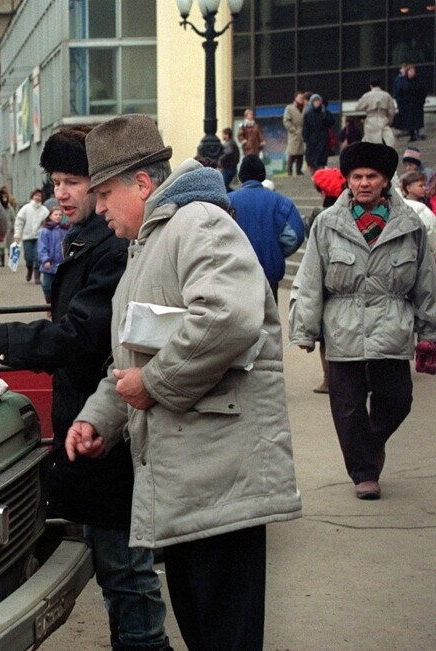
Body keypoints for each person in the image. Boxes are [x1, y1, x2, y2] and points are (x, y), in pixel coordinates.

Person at [67, 114, 302, 651]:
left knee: (223, 634)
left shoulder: (198, 224)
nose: (98, 207)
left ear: (142, 184)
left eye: (104, 193)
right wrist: (99, 416)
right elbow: (134, 350)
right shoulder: (151, 242)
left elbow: (226, 318)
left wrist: (153, 384)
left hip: (220, 480)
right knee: (205, 631)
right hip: (196, 482)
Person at [0, 125, 171, 651]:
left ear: (109, 185)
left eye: (74, 181)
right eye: (55, 182)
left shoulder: (114, 249)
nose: (62, 194)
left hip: (115, 431)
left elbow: (80, 334)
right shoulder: (89, 241)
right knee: (117, 567)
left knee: (126, 569)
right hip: (93, 425)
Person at [290, 141, 436, 500]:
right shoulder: (327, 224)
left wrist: (429, 331)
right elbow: (309, 279)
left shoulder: (410, 225)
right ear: (348, 181)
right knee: (347, 406)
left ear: (386, 181)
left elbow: (425, 281)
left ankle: (369, 443)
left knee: (398, 399)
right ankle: (364, 473)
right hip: (343, 329)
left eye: (372, 176)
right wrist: (305, 329)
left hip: (392, 326)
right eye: (357, 177)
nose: (364, 183)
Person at [228, 155, 305, 302]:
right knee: (268, 323)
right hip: (269, 277)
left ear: (241, 176)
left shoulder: (227, 201)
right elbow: (295, 235)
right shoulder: (281, 202)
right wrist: (275, 251)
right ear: (262, 175)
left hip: (235, 277)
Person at [306, 167, 346, 393]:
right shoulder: (352, 214)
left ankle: (328, 380)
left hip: (325, 282)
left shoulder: (318, 217)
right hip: (348, 280)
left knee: (325, 336)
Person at [13, 188, 49, 283]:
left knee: (37, 256)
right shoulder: (26, 208)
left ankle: (37, 276)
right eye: (36, 195)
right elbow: (19, 221)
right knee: (28, 257)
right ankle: (29, 269)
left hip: (39, 237)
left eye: (39, 196)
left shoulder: (44, 210)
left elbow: (47, 223)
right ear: (32, 196)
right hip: (27, 237)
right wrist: (17, 234)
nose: (37, 197)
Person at [398, 171, 436, 260]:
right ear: (409, 188)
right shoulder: (405, 207)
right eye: (420, 186)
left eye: (425, 185)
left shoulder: (428, 203)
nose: (424, 188)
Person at [36, 206, 68, 304]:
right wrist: (45, 259)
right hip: (49, 264)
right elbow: (42, 247)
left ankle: (58, 304)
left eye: (60, 215)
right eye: (55, 214)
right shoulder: (45, 231)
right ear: (50, 216)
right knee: (47, 286)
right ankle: (49, 303)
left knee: (62, 287)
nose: (58, 217)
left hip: (62, 264)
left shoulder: (66, 230)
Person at [355, 78, 397, 146]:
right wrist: (390, 120)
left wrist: (366, 108)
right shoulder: (386, 95)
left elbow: (357, 107)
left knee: (371, 141)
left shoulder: (367, 95)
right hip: (383, 118)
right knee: (389, 139)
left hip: (371, 118)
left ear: (370, 85)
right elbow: (392, 110)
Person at [393, 63, 427, 142]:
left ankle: (417, 134)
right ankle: (412, 135)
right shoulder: (402, 81)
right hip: (407, 105)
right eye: (410, 71)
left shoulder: (418, 81)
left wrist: (422, 101)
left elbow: (422, 91)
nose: (412, 73)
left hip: (417, 104)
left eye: (413, 71)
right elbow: (399, 92)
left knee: (417, 120)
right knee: (409, 121)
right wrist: (400, 102)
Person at [302, 93, 335, 173]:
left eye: (318, 101)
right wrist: (306, 139)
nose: (317, 103)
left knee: (322, 159)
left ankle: (321, 173)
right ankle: (315, 174)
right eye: (315, 101)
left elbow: (331, 123)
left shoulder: (325, 112)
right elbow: (306, 128)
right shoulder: (308, 114)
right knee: (313, 160)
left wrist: (325, 114)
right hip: (313, 140)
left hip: (323, 139)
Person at [283, 92, 307, 175]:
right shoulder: (290, 108)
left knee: (301, 153)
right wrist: (293, 130)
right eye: (299, 97)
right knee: (292, 152)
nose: (301, 99)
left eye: (302, 97)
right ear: (295, 98)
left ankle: (298, 170)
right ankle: (289, 170)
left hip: (303, 132)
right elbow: (286, 121)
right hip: (294, 133)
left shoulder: (305, 108)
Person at [0, 186, 16, 268]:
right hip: (0, 229)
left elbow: (13, 218)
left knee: (10, 245)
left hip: (9, 229)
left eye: (5, 197)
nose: (4, 198)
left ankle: (11, 260)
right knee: (1, 246)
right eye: (2, 197)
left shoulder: (9, 208)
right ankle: (2, 261)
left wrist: (14, 227)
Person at [219, 127, 240, 191]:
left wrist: (220, 159)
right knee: (224, 185)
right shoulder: (232, 143)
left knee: (223, 186)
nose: (222, 136)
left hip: (228, 168)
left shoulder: (229, 143)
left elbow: (228, 153)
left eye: (223, 134)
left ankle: (234, 195)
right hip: (230, 168)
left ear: (227, 135)